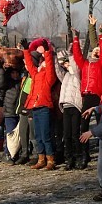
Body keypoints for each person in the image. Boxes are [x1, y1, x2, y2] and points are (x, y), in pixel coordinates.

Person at [72, 22, 102, 169]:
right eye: (94, 50)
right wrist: (76, 38)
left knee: (101, 127)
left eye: (98, 50)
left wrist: (100, 35)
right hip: (86, 97)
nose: (96, 52)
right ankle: (84, 154)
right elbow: (77, 55)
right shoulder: (85, 64)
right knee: (83, 127)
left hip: (97, 97)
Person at [22, 38, 58, 170]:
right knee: (38, 135)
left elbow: (50, 64)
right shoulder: (35, 74)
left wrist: (47, 52)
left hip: (44, 107)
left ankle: (50, 160)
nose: (41, 63)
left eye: (43, 62)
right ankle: (41, 158)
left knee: (45, 135)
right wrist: (26, 50)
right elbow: (30, 65)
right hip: (35, 107)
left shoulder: (49, 76)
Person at [58, 50, 82, 170]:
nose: (66, 66)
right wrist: (51, 54)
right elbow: (57, 70)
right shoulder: (65, 76)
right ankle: (69, 158)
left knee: (75, 134)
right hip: (66, 106)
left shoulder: (77, 75)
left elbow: (76, 67)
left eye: (67, 64)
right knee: (66, 134)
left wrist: (71, 55)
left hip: (75, 106)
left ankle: (79, 157)